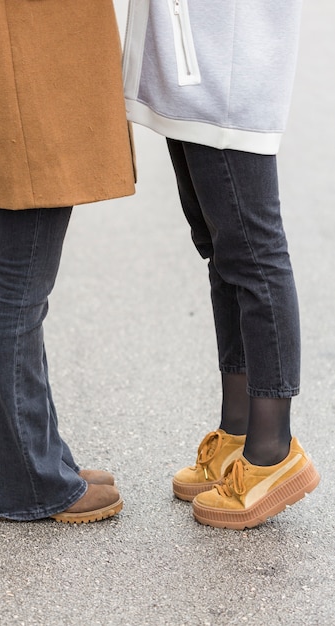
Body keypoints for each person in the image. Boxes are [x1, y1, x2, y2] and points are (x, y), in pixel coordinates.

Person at [0, 0, 135, 523]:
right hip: (27, 50)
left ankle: (23, 462)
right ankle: (27, 479)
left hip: (26, 44)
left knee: (14, 276)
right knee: (19, 279)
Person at [123, 0, 319, 529]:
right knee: (222, 250)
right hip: (191, 61)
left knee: (254, 254)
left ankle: (272, 452)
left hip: (225, 59)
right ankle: (237, 434)